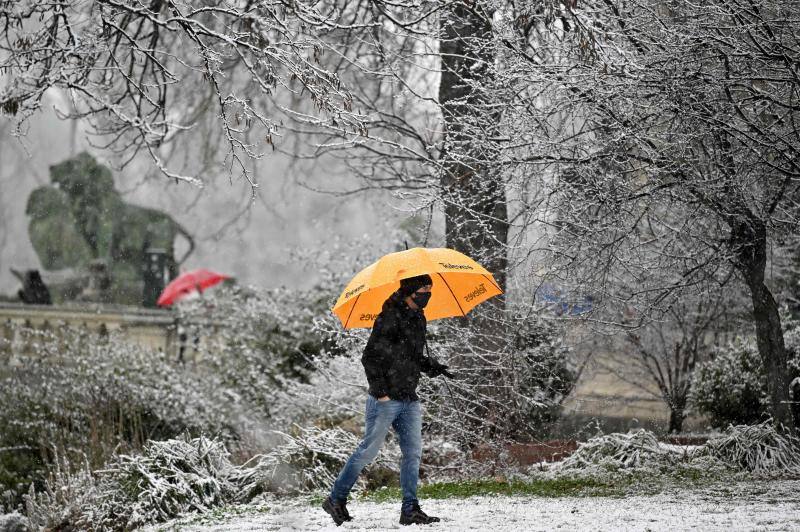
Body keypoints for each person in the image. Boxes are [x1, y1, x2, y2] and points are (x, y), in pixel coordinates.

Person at [323, 274, 453, 526]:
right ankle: (335, 499)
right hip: (386, 399)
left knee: (413, 453)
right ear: (411, 291)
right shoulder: (389, 317)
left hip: (408, 397)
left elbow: (410, 355)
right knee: (368, 452)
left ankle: (410, 509)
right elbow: (369, 357)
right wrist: (381, 392)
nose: (429, 293)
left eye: (430, 288)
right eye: (425, 288)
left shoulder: (418, 318)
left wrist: (431, 366)